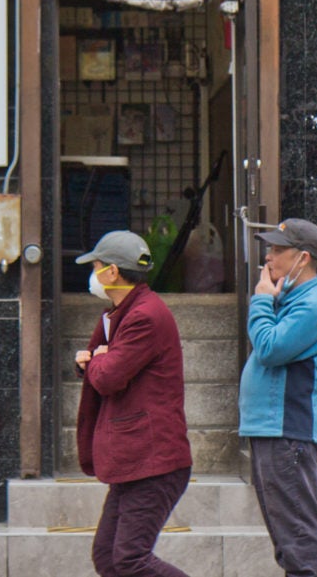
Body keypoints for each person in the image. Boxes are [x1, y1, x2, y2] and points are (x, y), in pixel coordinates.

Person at [72, 230, 194, 577]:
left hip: (154, 461)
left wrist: (96, 360)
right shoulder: (119, 312)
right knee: (108, 557)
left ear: (112, 272)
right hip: (134, 459)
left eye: (95, 266)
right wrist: (95, 359)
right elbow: (97, 363)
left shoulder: (145, 316)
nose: (92, 273)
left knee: (130, 559)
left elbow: (108, 376)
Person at [239, 218, 317, 577]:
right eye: (270, 248)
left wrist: (262, 300)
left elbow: (268, 347)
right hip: (274, 431)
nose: (268, 256)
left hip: (290, 433)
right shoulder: (292, 297)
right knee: (290, 544)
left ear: (304, 258)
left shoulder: (314, 305)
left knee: (300, 545)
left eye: (278, 250)